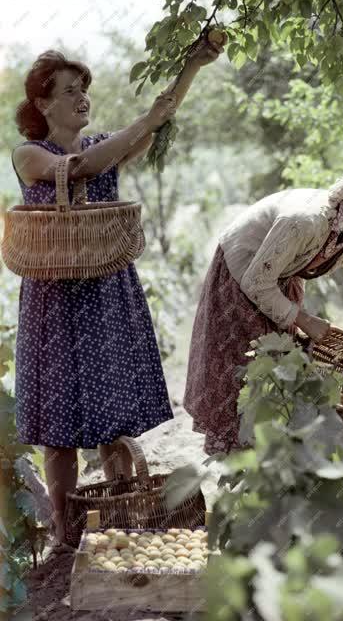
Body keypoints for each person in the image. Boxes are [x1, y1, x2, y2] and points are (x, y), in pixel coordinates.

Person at [10, 38, 223, 550]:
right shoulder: (31, 153)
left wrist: (192, 65)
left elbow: (160, 118)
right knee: (58, 427)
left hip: (105, 289)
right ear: (42, 103)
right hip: (55, 299)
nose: (82, 97)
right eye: (69, 91)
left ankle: (121, 515)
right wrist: (142, 124)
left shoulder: (106, 141)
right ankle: (66, 536)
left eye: (84, 89)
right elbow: (80, 169)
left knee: (114, 418)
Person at [184, 155, 343, 455]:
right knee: (244, 381)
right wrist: (304, 319)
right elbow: (256, 282)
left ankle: (275, 465)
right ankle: (242, 471)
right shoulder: (305, 221)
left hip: (280, 282)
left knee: (279, 376)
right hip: (240, 278)